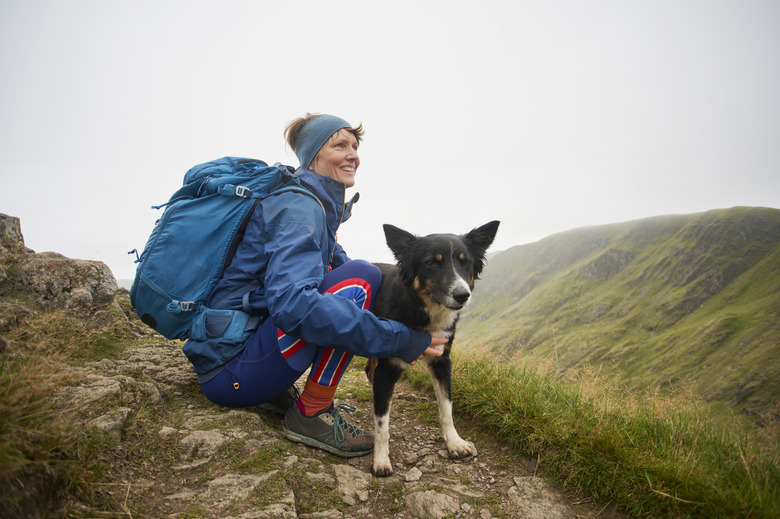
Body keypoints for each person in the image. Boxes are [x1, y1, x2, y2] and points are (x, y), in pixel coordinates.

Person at [182, 113, 447, 457]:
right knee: (360, 280)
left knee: (362, 274)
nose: (353, 155)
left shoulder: (311, 204)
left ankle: (277, 393)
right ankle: (311, 412)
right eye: (340, 145)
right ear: (313, 155)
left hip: (233, 358)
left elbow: (340, 267)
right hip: (232, 373)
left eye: (355, 146)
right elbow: (297, 305)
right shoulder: (299, 208)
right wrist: (401, 339)